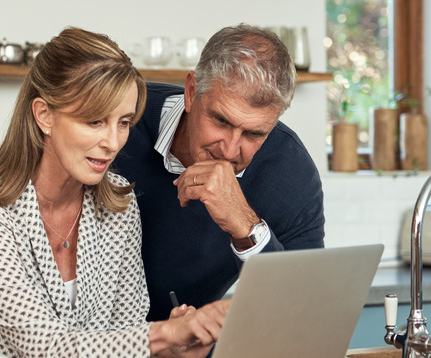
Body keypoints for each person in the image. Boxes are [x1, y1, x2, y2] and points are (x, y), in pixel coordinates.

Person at [0, 27, 230, 358]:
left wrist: (168, 354)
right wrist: (164, 335)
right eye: (94, 120)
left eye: (124, 122)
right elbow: (48, 350)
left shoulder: (119, 207)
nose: (113, 142)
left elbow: (122, 333)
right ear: (44, 115)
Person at [112, 24, 325, 322]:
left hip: (191, 353)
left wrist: (246, 227)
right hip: (91, 347)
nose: (229, 150)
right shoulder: (121, 122)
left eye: (253, 134)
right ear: (191, 91)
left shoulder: (292, 173)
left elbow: (304, 310)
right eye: (221, 121)